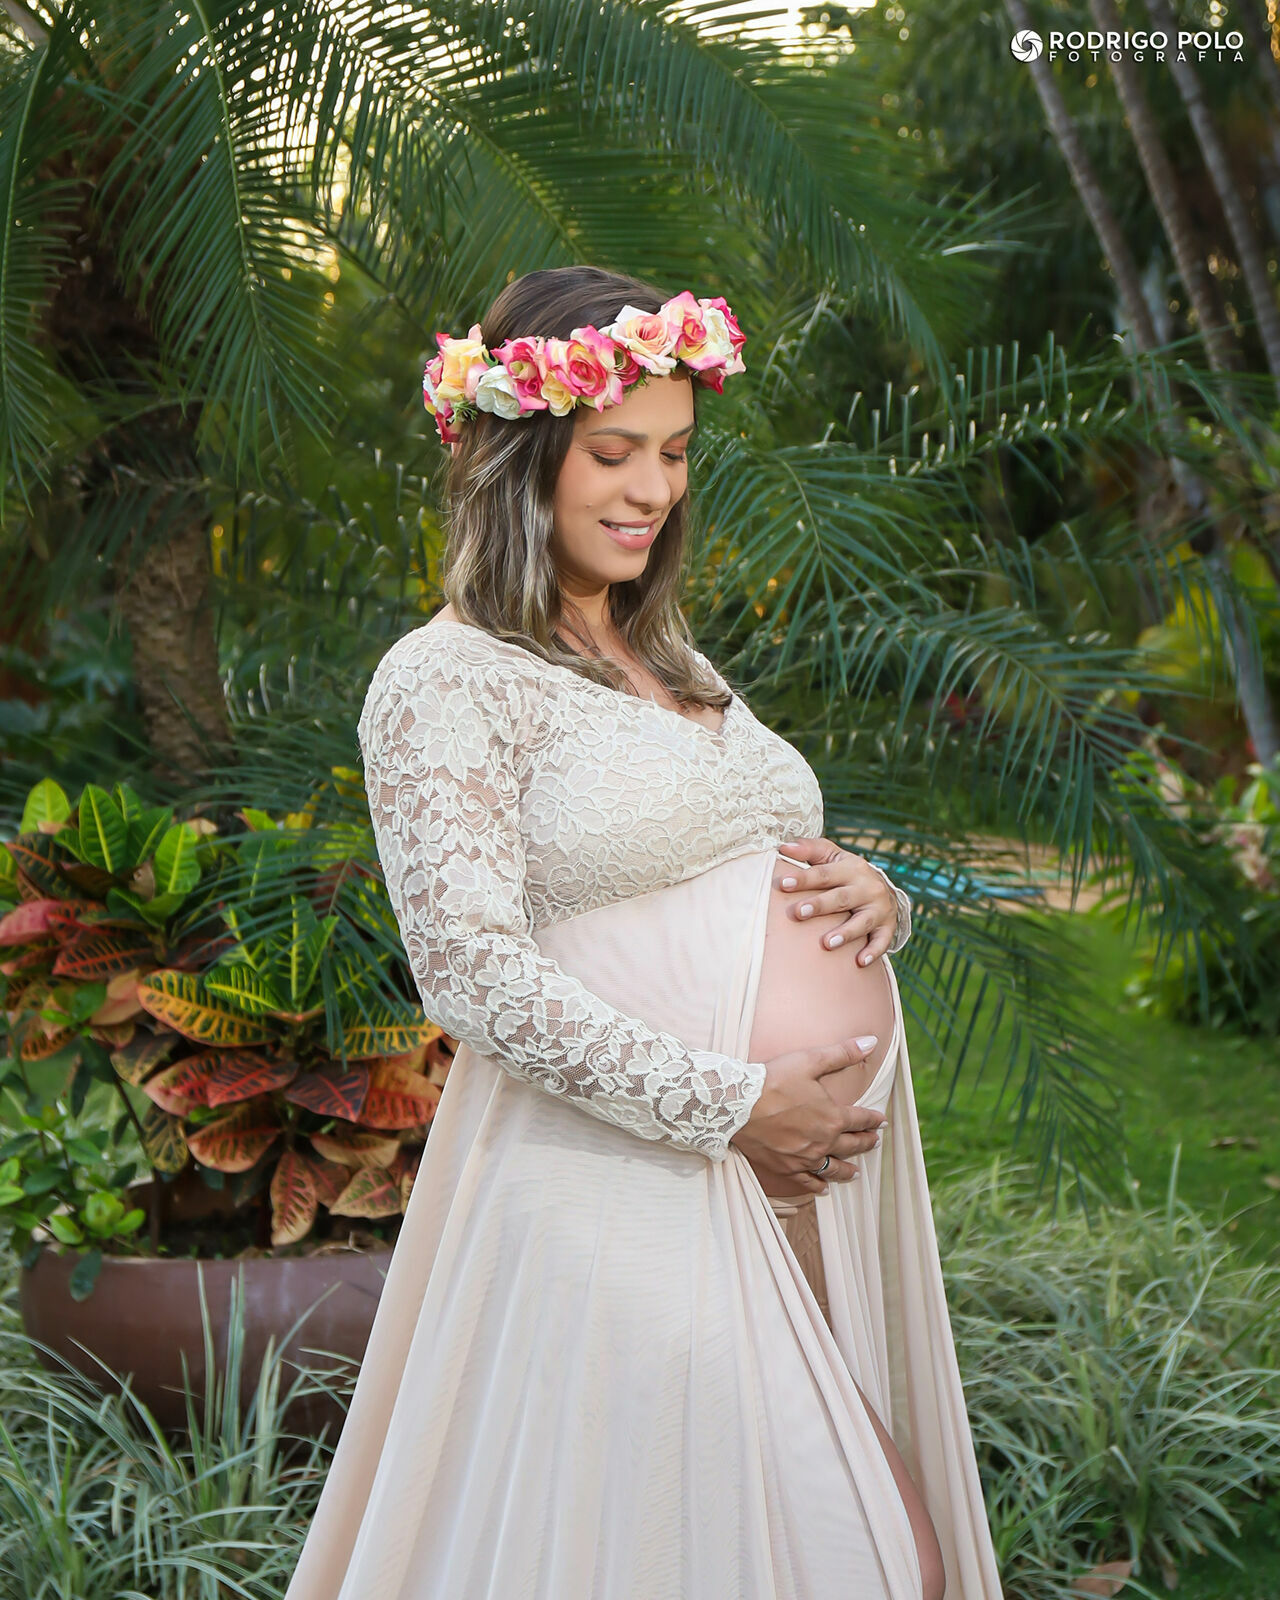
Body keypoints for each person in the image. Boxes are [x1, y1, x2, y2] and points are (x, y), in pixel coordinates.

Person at [282, 266, 1003, 1600]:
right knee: (817, 1551)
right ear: (521, 455)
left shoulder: (671, 658)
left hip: (785, 1191)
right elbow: (471, 974)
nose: (652, 489)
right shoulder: (443, 679)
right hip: (619, 1186)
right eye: (613, 453)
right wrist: (731, 1102)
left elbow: (748, 853)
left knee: (864, 1552)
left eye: (673, 454)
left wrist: (873, 900)